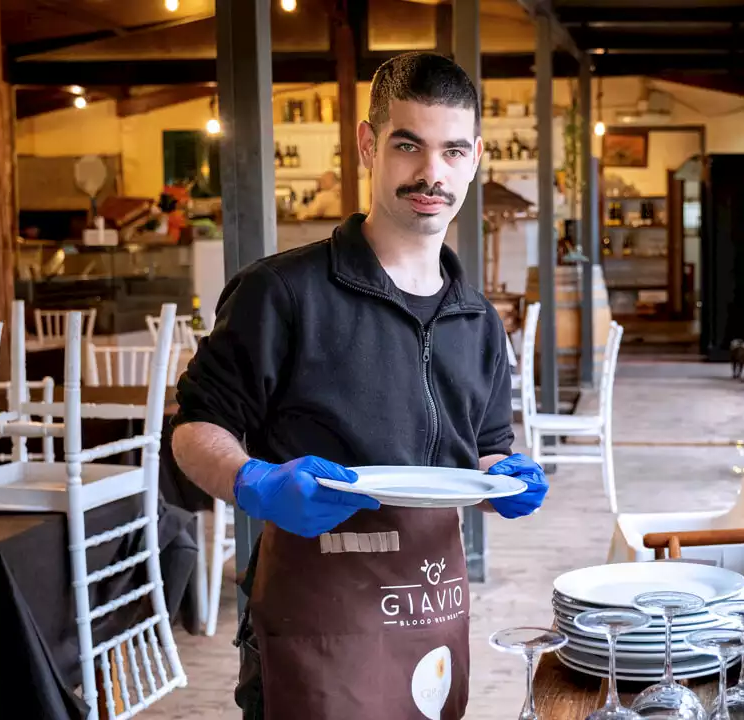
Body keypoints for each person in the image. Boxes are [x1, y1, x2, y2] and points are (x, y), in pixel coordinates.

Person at [171, 52, 548, 720]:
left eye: (453, 150)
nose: (432, 173)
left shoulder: (478, 320)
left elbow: (483, 448)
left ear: (476, 158)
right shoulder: (282, 291)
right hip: (317, 610)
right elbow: (196, 429)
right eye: (409, 145)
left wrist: (505, 478)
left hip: (432, 605)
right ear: (370, 145)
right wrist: (254, 481)